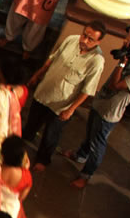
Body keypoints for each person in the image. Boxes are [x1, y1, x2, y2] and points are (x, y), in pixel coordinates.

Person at [64, 32, 130, 188]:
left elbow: (116, 85)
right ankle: (80, 155)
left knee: (97, 145)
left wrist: (121, 64)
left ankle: (86, 175)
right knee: (90, 135)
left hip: (109, 113)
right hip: (101, 103)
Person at [22, 20, 105, 169]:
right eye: (84, 35)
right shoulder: (71, 40)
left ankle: (42, 160)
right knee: (32, 121)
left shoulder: (97, 61)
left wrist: (71, 109)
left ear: (98, 42)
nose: (84, 40)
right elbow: (52, 59)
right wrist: (38, 74)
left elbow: (88, 90)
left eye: (90, 39)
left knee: (51, 135)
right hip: (45, 92)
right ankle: (24, 140)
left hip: (62, 104)